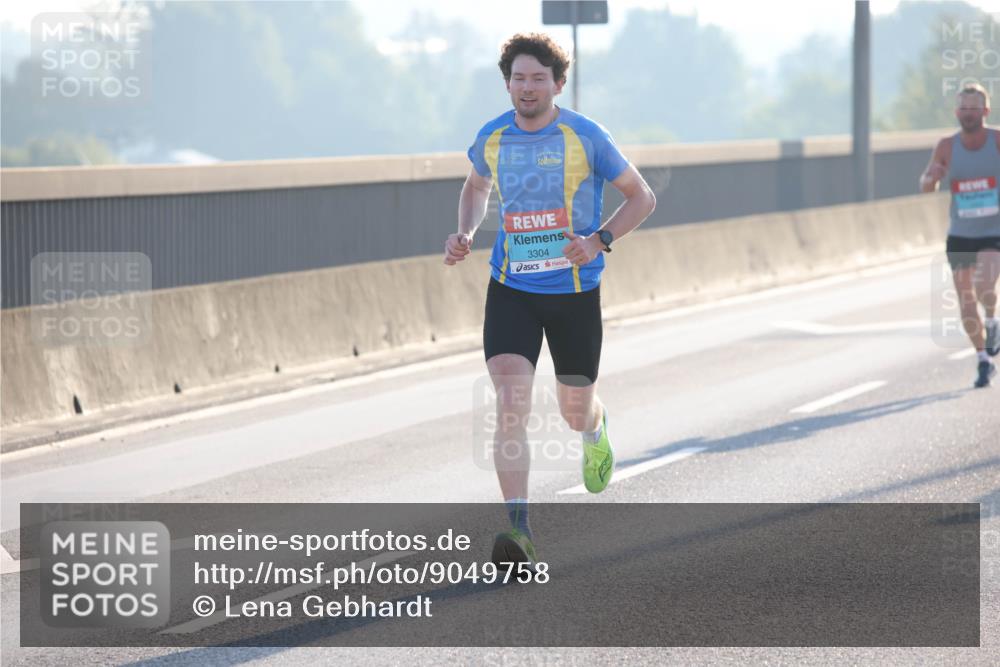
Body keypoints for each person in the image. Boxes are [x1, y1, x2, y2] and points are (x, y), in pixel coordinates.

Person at [443, 33, 656, 566]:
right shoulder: (492, 137)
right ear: (507, 83)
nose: (528, 87)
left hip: (574, 293)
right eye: (518, 78)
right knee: (511, 403)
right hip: (511, 289)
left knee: (573, 409)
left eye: (539, 78)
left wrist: (598, 240)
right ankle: (519, 531)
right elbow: (475, 187)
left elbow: (642, 197)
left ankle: (596, 428)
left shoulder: (586, 136)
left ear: (559, 84)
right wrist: (465, 232)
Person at [920, 83, 1000, 388]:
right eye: (963, 108)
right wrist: (932, 178)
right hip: (961, 234)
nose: (968, 114)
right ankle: (983, 359)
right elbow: (926, 184)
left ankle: (992, 320)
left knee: (984, 285)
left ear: (985, 111)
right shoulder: (946, 146)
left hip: (994, 230)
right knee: (966, 301)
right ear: (957, 112)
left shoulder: (997, 140)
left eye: (974, 108)